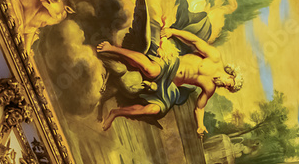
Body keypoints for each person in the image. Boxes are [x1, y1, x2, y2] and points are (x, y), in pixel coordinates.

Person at [97, 26, 242, 136]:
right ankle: (113, 49)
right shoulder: (215, 58)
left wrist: (200, 125)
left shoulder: (210, 88)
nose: (227, 86)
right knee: (151, 70)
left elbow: (200, 107)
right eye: (230, 84)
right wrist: (173, 31)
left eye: (229, 89)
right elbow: (195, 41)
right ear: (231, 76)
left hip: (170, 87)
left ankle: (116, 113)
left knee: (153, 110)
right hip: (171, 66)